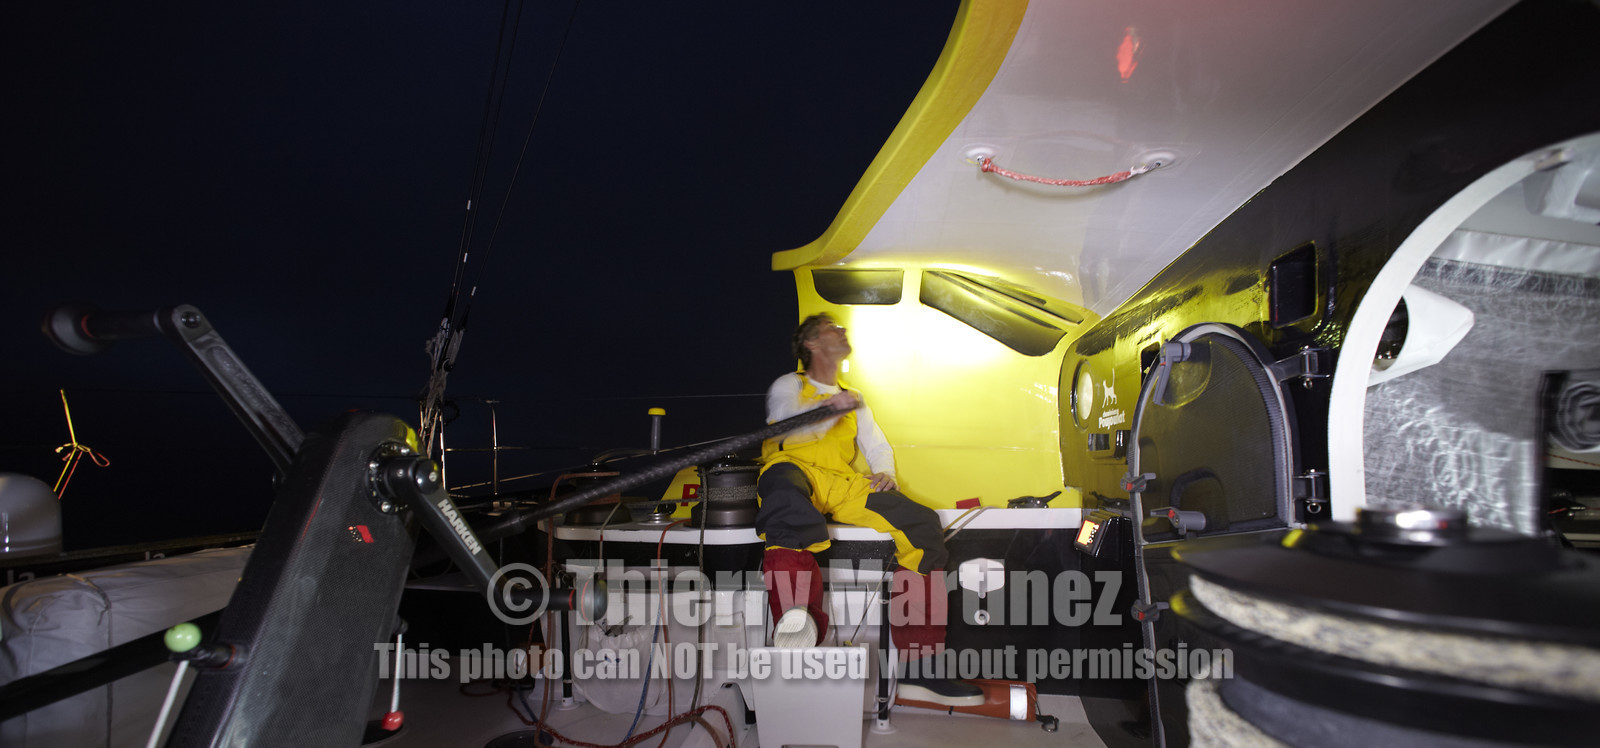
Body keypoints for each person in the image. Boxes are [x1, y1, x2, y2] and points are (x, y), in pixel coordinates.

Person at [756, 312, 983, 707]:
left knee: (923, 525)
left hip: (840, 482)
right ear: (810, 343)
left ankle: (921, 669)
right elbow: (788, 426)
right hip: (793, 471)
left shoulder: (854, 397)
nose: (842, 332)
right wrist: (830, 407)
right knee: (788, 509)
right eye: (832, 329)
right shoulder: (788, 385)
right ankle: (796, 625)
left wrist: (884, 473)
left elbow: (876, 445)